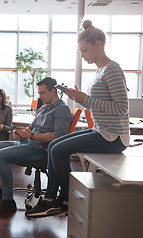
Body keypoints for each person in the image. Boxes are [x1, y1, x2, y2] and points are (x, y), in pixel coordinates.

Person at [26, 20, 130, 218]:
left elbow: (122, 108)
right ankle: (51, 199)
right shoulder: (100, 71)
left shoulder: (112, 69)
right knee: (54, 145)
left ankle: (65, 200)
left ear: (98, 44)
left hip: (113, 136)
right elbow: (97, 105)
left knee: (56, 149)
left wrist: (86, 99)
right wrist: (80, 99)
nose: (82, 55)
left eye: (84, 50)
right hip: (101, 130)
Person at [0, 77, 72, 214]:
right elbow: (32, 128)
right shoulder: (43, 108)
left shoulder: (62, 109)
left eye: (43, 93)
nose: (40, 96)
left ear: (53, 91)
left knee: (0, 156)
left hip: (40, 149)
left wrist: (31, 136)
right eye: (39, 93)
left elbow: (58, 136)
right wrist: (21, 133)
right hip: (27, 143)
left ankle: (8, 201)